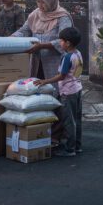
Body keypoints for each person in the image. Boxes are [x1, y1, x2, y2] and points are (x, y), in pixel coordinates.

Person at [34, 27, 83, 157]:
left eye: (61, 41)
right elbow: (76, 72)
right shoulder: (78, 54)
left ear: (67, 43)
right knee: (76, 119)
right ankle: (77, 146)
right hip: (77, 89)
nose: (59, 43)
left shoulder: (67, 57)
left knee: (68, 121)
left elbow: (61, 76)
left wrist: (45, 81)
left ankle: (69, 149)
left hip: (68, 92)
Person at [12, 0, 73, 81]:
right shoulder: (35, 14)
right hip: (37, 60)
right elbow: (24, 31)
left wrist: (42, 46)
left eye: (43, 2)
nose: (40, 5)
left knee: (55, 88)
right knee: (38, 86)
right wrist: (11, 38)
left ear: (50, 1)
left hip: (55, 61)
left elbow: (65, 40)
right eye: (38, 2)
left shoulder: (63, 17)